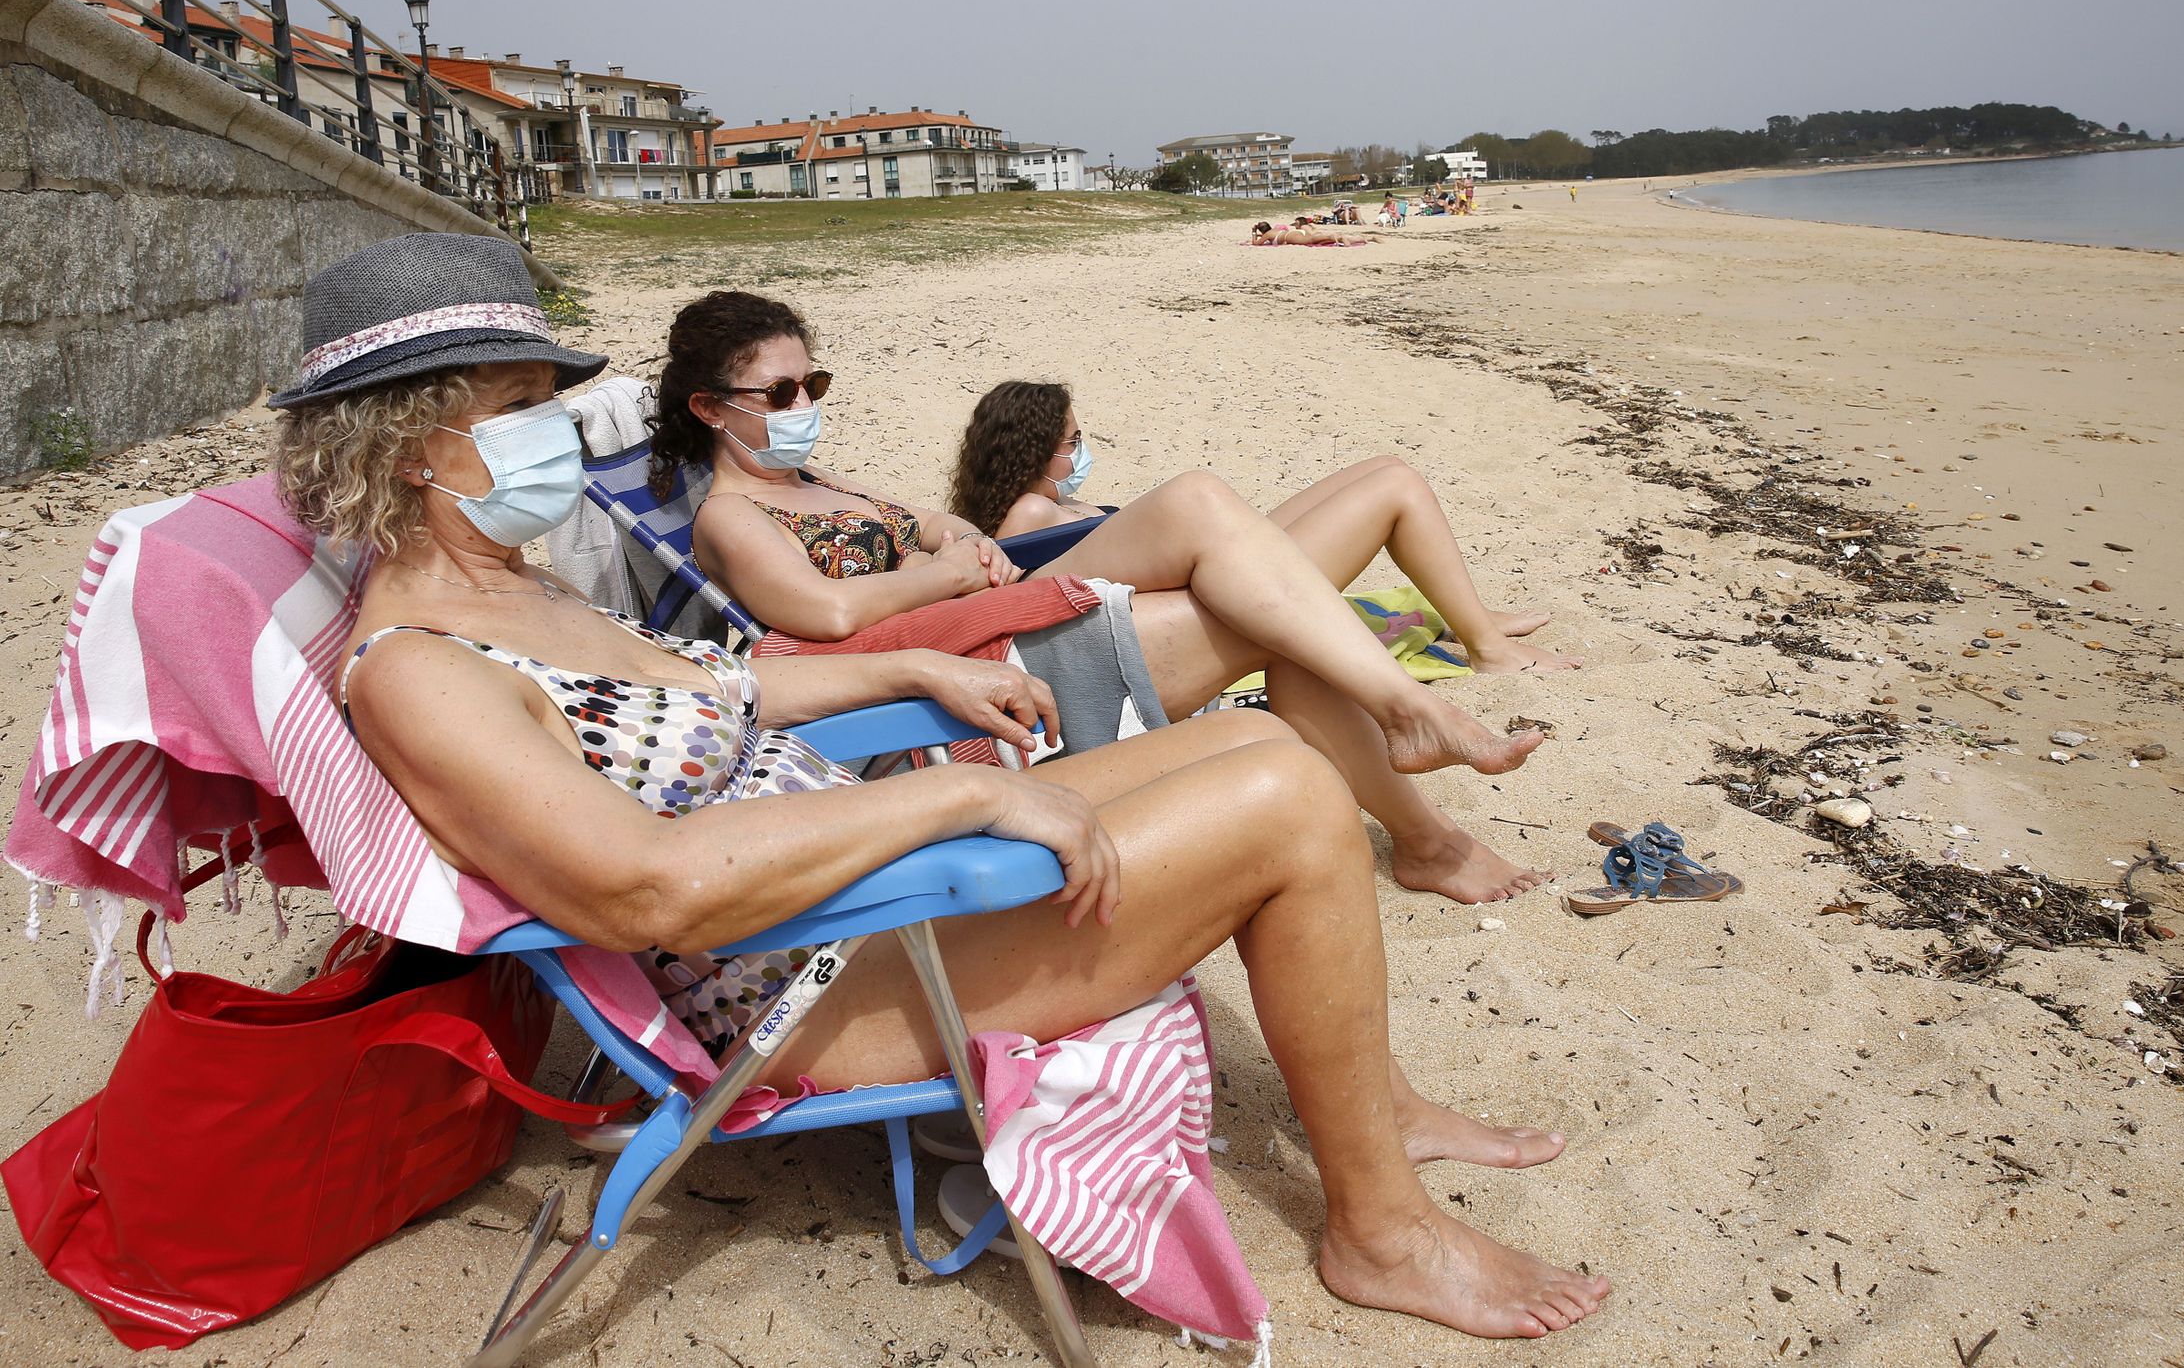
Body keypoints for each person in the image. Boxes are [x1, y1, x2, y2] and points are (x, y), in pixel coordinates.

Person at [274, 234, 1609, 1339]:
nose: (554, 432)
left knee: (1270, 746)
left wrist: (920, 678)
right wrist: (961, 797)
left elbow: (740, 689)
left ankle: (1377, 1112)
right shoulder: (419, 669)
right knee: (1293, 805)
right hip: (810, 974)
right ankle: (1378, 1230)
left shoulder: (514, 588)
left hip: (851, 895)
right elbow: (643, 885)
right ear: (410, 445)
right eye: (517, 409)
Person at [660, 291, 1557, 903]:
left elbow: (938, 525)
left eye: (812, 384)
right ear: (709, 408)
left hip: (989, 611)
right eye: (780, 391)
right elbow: (829, 616)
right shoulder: (732, 517)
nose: (803, 403)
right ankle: (1419, 772)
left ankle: (1420, 780)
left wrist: (964, 546)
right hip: (964, 662)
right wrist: (951, 571)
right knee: (1251, 586)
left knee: (1213, 514)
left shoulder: (815, 479)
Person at [951, 379, 1573, 677]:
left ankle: (1477, 620)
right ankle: (1487, 647)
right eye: (1072, 441)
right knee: (1397, 488)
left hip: (1209, 573)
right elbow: (1044, 601)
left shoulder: (1047, 504)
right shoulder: (1030, 515)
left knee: (1386, 467)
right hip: (1207, 604)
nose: (1081, 452)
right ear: (1034, 453)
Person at [1250, 220, 1380, 247]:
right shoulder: (1274, 231)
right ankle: (1362, 239)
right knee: (1316, 239)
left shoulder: (1268, 235)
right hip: (1296, 233)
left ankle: (1338, 237)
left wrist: (1253, 232)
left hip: (1294, 237)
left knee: (1314, 239)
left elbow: (1255, 243)